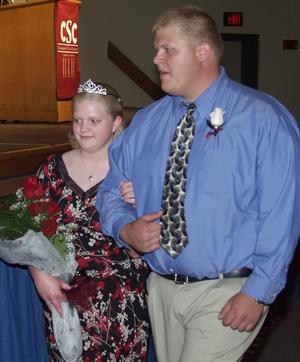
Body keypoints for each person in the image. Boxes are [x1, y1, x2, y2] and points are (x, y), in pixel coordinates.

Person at [96, 5, 300, 362]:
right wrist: (125, 229)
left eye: (168, 49)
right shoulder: (147, 122)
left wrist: (258, 291)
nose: (157, 58)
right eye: (156, 49)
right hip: (161, 288)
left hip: (227, 290)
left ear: (202, 51)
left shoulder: (262, 118)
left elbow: (282, 211)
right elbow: (111, 187)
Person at [29, 80, 150, 361]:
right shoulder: (49, 170)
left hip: (121, 300)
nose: (83, 129)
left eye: (94, 120)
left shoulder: (136, 172)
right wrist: (39, 275)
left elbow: (146, 245)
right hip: (65, 299)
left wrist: (141, 202)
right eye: (78, 120)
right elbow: (28, 229)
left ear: (116, 122)